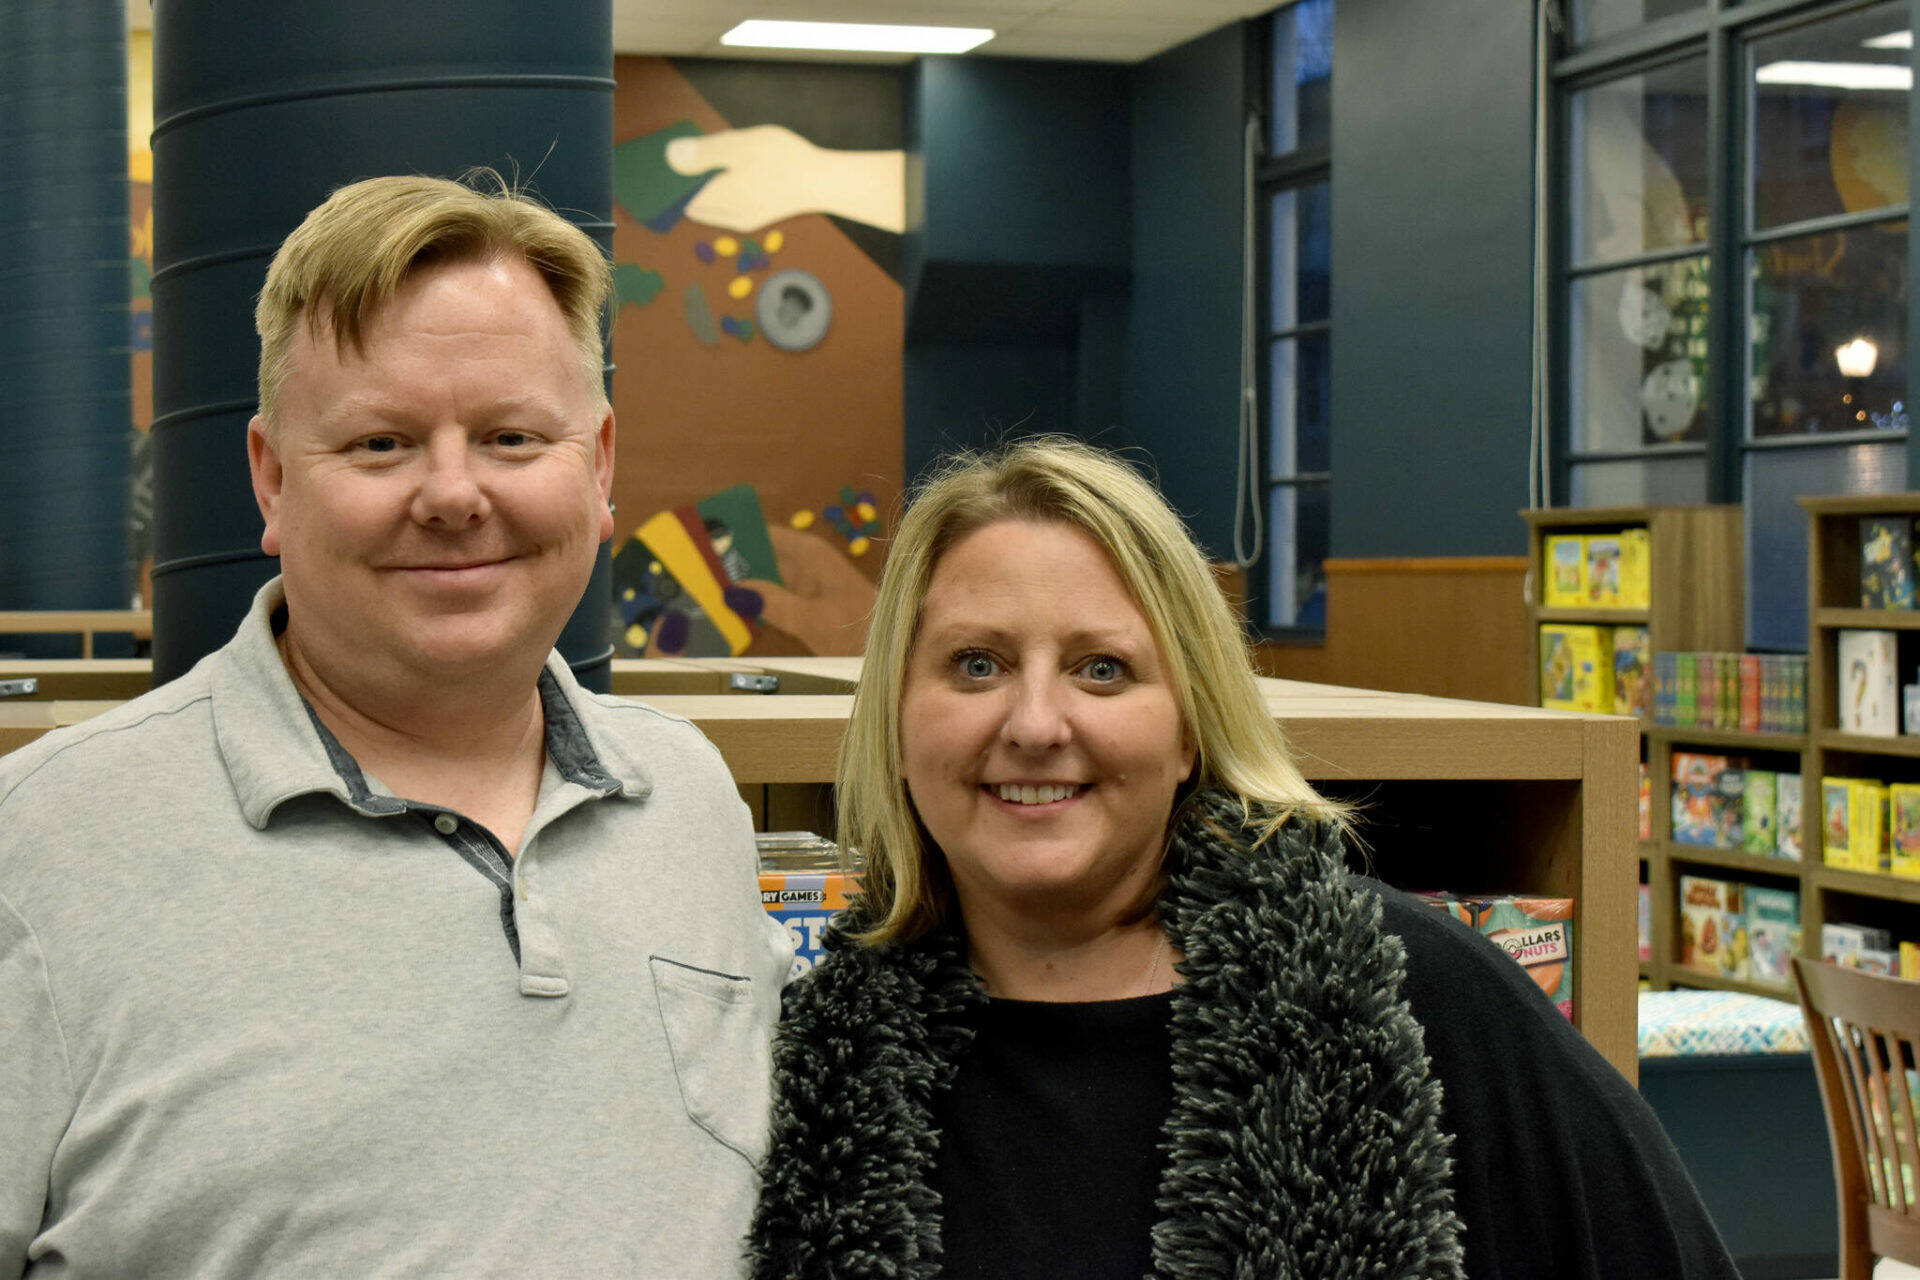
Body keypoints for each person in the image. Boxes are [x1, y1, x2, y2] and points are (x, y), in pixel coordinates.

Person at [0, 175, 790, 1279]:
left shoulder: (686, 797)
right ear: (272, 482)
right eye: (380, 444)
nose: (455, 493)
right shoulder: (41, 848)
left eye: (513, 436)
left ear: (600, 467)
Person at [747, 438, 1740, 1279]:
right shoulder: (797, 1067)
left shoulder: (1413, 998)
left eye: (1103, 667)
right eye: (978, 663)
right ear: (900, 718)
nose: (1036, 721)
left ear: (1187, 728)